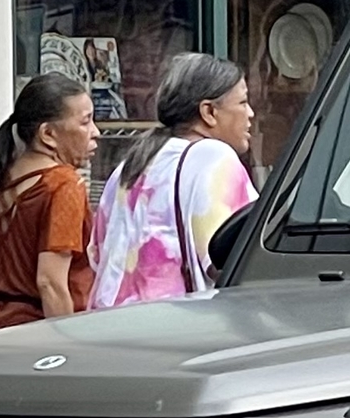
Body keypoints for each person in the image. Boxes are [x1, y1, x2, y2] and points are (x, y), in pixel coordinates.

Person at [88, 51, 258, 308]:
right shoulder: (212, 158)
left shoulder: (128, 168)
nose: (251, 113)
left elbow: (97, 257)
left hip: (110, 325)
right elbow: (240, 261)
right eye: (243, 102)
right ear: (209, 111)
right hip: (177, 327)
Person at [0, 72, 98, 330]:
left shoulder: (5, 178)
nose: (95, 132)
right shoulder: (63, 185)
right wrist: (64, 348)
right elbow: (51, 283)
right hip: (39, 336)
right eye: (85, 122)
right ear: (48, 133)